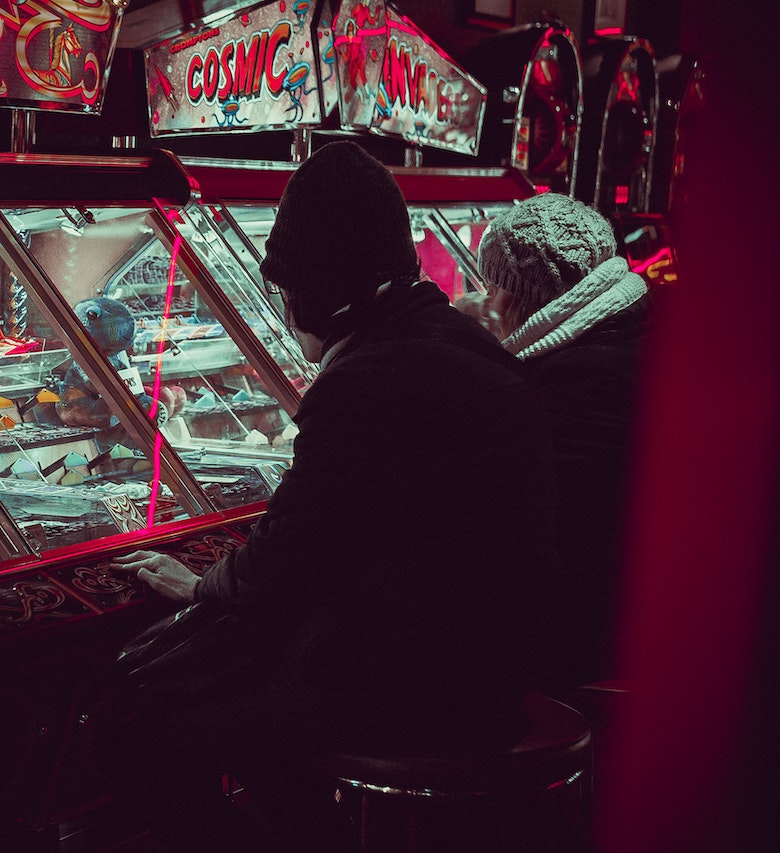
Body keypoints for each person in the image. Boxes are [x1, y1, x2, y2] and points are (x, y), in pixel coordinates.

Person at [100, 141, 560, 851]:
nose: (286, 313)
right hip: (492, 672)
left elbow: (282, 566)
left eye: (288, 293)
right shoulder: (475, 350)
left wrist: (199, 584)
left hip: (405, 692)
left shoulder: (364, 381)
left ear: (320, 288)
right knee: (258, 728)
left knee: (147, 728)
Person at [473, 192, 652, 689]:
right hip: (643, 616)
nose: (486, 302)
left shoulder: (567, 389)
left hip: (586, 645)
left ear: (515, 299)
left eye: (493, 289)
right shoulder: (633, 335)